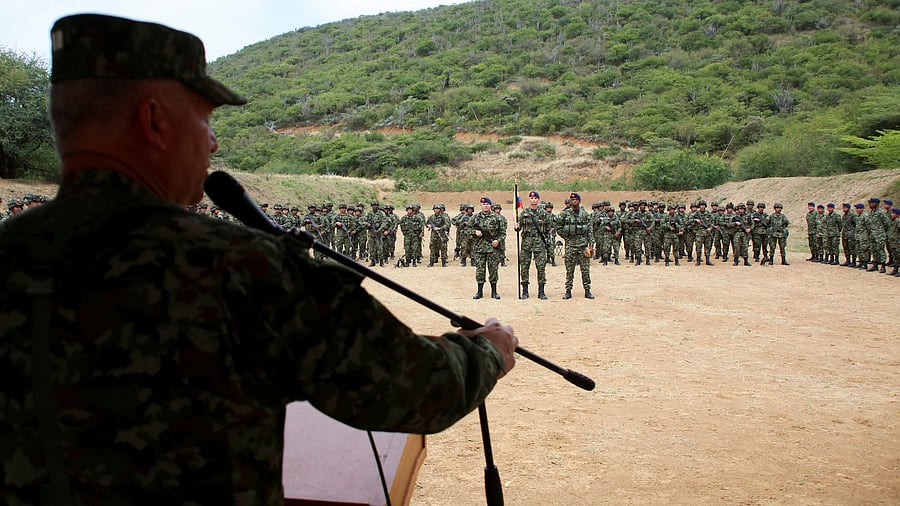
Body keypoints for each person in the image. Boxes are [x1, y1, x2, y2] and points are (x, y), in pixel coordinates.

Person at [0, 14, 518, 505]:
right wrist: (487, 351)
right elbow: (417, 388)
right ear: (153, 121)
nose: (213, 140)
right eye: (204, 118)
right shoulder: (235, 266)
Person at [556, 192, 594, 299]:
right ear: (570, 201)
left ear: (579, 201)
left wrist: (591, 244)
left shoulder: (585, 214)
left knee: (585, 269)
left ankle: (587, 290)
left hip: (583, 246)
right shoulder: (565, 214)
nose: (574, 201)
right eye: (572, 200)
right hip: (570, 245)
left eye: (576, 200)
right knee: (569, 269)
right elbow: (558, 226)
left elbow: (590, 230)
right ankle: (568, 291)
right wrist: (566, 237)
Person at [516, 190, 551, 299]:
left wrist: (547, 242)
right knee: (524, 267)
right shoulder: (524, 213)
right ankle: (525, 291)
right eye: (531, 198)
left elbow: (548, 229)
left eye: (535, 198)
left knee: (541, 268)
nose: (533, 200)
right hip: (526, 244)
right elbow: (519, 227)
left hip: (539, 244)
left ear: (538, 199)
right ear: (529, 199)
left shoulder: (544, 213)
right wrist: (516, 227)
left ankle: (541, 292)